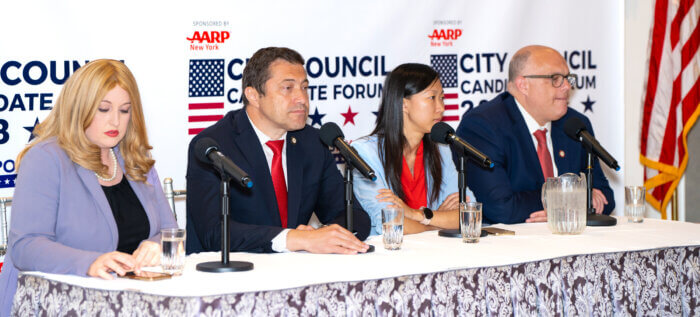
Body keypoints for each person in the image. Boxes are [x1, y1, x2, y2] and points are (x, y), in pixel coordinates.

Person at [0, 59, 178, 316]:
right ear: (78, 108)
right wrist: (90, 262)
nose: (115, 121)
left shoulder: (135, 158)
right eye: (103, 109)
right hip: (57, 306)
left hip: (130, 305)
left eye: (125, 110)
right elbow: (25, 246)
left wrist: (156, 246)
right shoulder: (46, 158)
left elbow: (170, 233)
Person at [186, 47, 370, 255]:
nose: (301, 98)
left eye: (304, 87)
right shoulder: (213, 146)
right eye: (287, 88)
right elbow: (213, 233)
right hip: (232, 276)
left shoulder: (312, 142)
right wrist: (293, 238)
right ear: (253, 95)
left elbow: (353, 216)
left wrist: (327, 235)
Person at [455, 45, 615, 224]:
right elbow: (500, 207)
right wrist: (568, 202)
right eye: (556, 79)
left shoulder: (575, 124)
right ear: (523, 85)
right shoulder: (483, 126)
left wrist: (560, 208)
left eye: (568, 78)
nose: (567, 86)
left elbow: (605, 197)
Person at [353, 63, 474, 236]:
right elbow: (391, 223)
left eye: (442, 98)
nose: (441, 108)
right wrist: (437, 222)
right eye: (432, 98)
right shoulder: (365, 154)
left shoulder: (441, 150)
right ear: (404, 104)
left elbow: (469, 212)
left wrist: (415, 214)